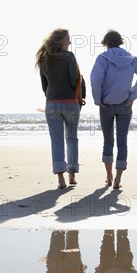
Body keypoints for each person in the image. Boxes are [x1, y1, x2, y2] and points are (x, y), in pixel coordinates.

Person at [90, 30, 137, 189]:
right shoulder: (132, 58)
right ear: (120, 42)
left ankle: (108, 176)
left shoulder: (103, 58)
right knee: (122, 142)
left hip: (106, 105)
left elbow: (95, 78)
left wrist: (98, 99)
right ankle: (118, 179)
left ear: (106, 43)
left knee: (108, 141)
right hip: (125, 104)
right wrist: (132, 96)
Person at [36, 28, 86, 189]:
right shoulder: (69, 56)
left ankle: (60, 179)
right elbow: (75, 79)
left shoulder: (44, 58)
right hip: (70, 102)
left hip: (52, 103)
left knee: (56, 141)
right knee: (71, 138)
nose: (70, 42)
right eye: (68, 40)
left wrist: (51, 98)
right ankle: (72, 174)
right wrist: (79, 97)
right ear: (61, 41)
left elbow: (44, 85)